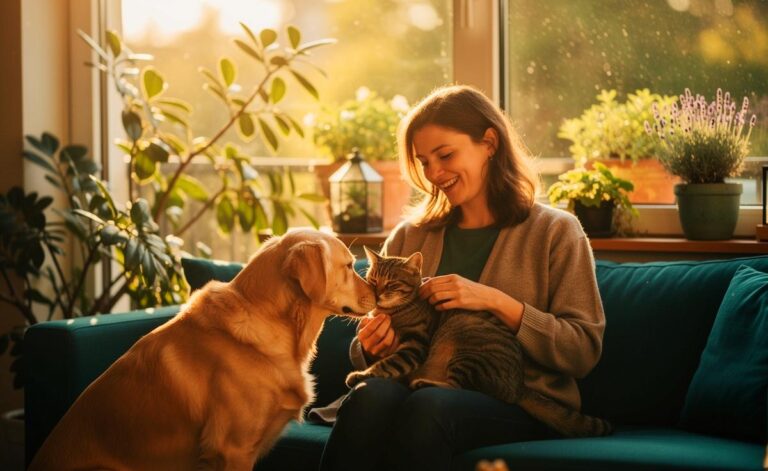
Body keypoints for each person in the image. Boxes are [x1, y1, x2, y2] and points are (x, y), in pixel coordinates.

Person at [315, 85, 605, 470]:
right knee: (368, 396)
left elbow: (582, 351)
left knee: (428, 406)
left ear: (489, 143)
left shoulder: (557, 232)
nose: (434, 173)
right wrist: (371, 344)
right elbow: (372, 338)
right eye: (423, 162)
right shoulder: (408, 236)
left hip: (516, 399)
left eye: (445, 155)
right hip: (414, 383)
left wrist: (496, 301)